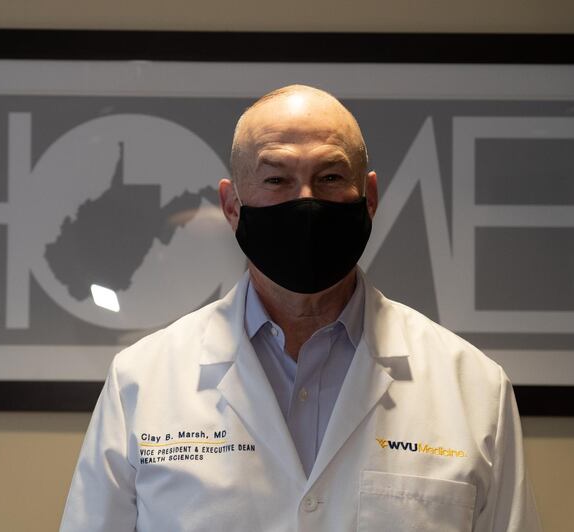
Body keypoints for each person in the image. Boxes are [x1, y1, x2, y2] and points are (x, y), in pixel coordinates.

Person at [60, 85, 541, 531]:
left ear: (368, 198)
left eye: (330, 177)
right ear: (233, 206)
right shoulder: (142, 381)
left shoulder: (474, 388)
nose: (305, 200)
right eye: (276, 178)